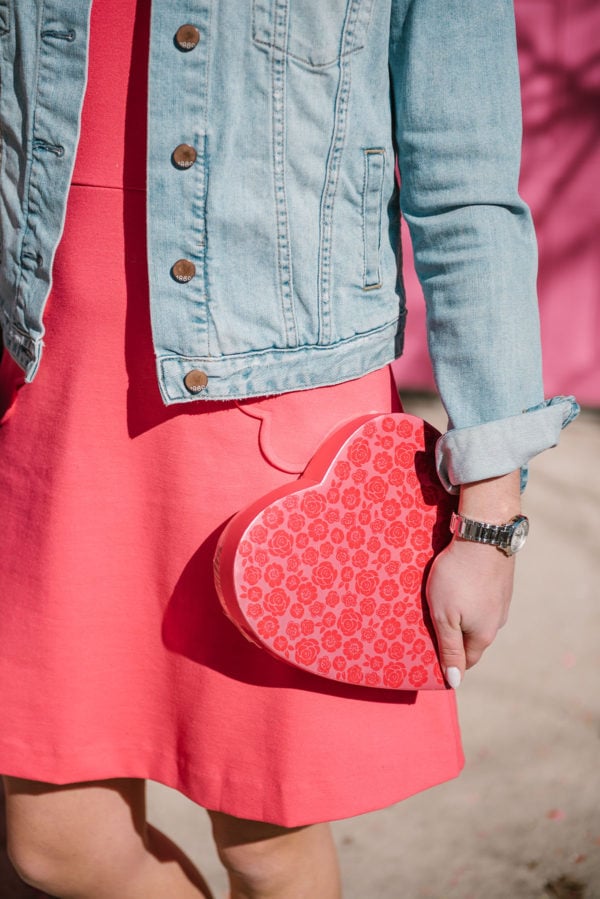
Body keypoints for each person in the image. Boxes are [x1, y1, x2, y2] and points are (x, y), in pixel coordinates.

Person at [0, 1, 577, 897]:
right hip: (53, 382)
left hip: (270, 418)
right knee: (52, 842)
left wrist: (489, 518)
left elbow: (465, 193)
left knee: (266, 843)